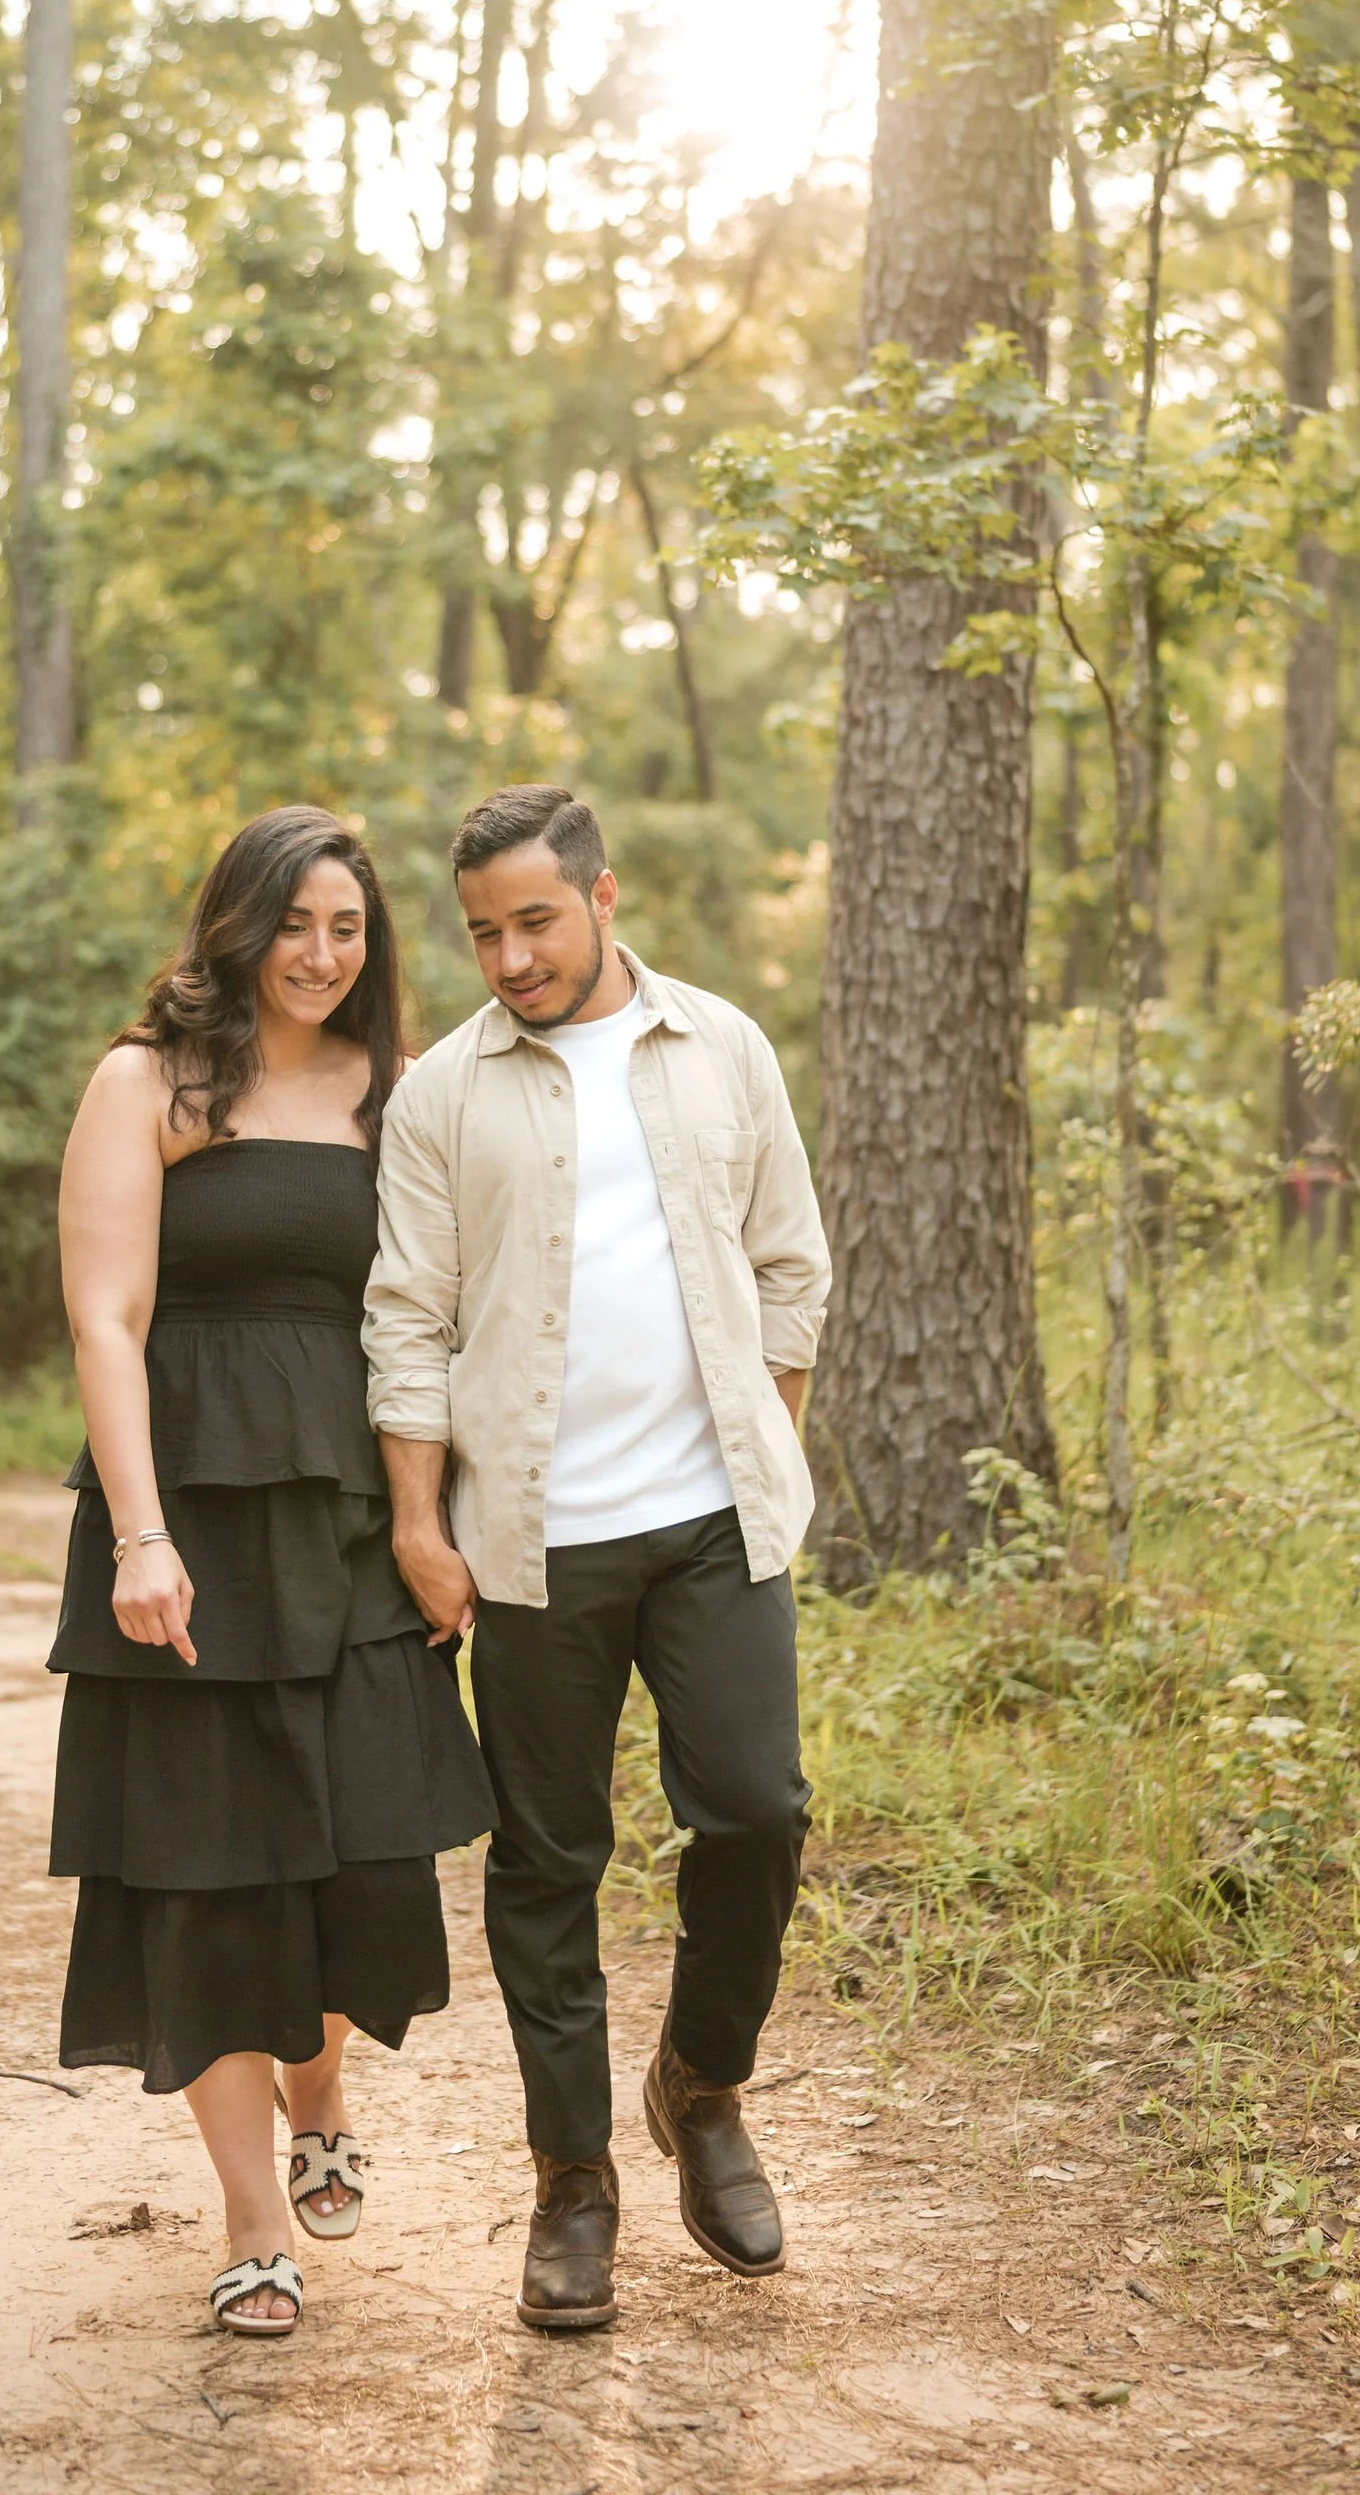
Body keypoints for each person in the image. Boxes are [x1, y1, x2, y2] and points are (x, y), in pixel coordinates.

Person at [365, 782, 829, 2333]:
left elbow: (788, 1267)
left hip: (713, 1525)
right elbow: (408, 1323)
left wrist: (768, 1443)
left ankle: (702, 2087)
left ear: (604, 896)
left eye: (536, 921)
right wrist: (423, 1527)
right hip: (534, 1545)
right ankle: (573, 2184)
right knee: (546, 1870)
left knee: (756, 1812)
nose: (510, 957)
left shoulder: (724, 1050)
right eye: (484, 932)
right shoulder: (440, 1093)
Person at [48, 807, 494, 2340]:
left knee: (359, 1857)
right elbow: (108, 1317)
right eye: (296, 923)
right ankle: (252, 2229)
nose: (321, 953)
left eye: (349, 928)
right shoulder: (151, 1084)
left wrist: (450, 1527)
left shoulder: (408, 1095)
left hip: (359, 1521)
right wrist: (140, 1534)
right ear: (237, 924)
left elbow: (452, 1317)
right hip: (191, 1522)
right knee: (207, 1872)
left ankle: (324, 2101)